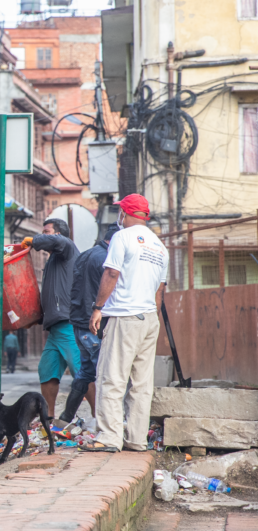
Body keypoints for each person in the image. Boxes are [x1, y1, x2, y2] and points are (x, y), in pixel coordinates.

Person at [80, 194, 168, 453]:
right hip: (149, 319)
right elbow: (159, 291)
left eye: (120, 212)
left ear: (126, 214)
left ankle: (109, 437)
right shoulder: (159, 246)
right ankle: (137, 439)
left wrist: (97, 309)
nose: (119, 216)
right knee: (141, 384)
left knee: (111, 377)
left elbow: (111, 273)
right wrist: (153, 319)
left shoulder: (122, 237)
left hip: (125, 317)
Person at [56, 224, 120, 428]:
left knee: (85, 371)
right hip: (94, 324)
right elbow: (106, 290)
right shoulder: (107, 259)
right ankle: (106, 424)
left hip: (78, 322)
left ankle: (65, 418)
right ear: (115, 241)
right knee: (104, 372)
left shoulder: (85, 255)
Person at [24, 218, 80, 418]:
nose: (42, 234)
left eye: (46, 231)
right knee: (47, 372)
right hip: (55, 328)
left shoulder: (67, 248)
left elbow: (58, 242)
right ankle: (48, 420)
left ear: (57, 234)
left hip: (68, 324)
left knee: (82, 374)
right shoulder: (52, 261)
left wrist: (33, 240)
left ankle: (97, 421)